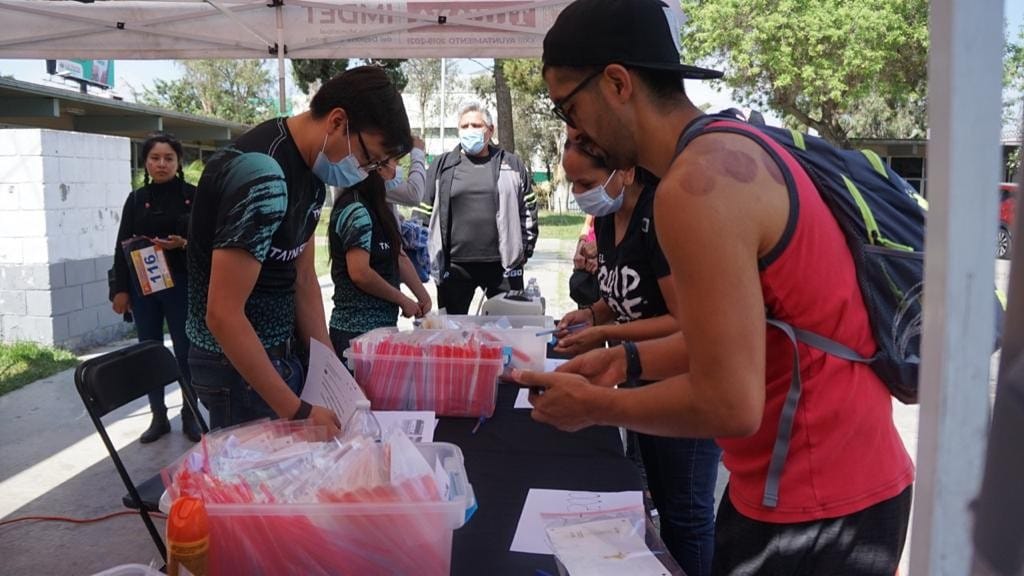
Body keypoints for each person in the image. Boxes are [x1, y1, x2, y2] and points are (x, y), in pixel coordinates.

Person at [515, 1, 915, 574]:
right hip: (825, 487)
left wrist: (598, 408)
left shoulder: (695, 188)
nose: (573, 131)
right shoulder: (735, 144)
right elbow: (740, 339)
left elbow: (730, 401)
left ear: (618, 83)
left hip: (814, 504)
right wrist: (625, 360)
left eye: (569, 109)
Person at [187, 66, 413, 436]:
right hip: (236, 368)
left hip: (279, 354)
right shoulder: (264, 174)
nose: (366, 172)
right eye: (369, 159)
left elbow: (303, 279)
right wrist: (297, 411)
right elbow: (223, 315)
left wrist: (332, 374)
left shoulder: (310, 177)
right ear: (338, 121)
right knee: (264, 489)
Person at [556, 135, 721, 575]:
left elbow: (686, 321)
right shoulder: (609, 220)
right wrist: (591, 314)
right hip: (638, 380)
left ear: (625, 172)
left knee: (685, 514)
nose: (579, 194)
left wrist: (607, 335)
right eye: (572, 184)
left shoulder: (660, 216)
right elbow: (626, 290)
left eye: (585, 182)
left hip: (682, 388)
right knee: (656, 503)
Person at [111, 132, 201, 443]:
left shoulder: (194, 195)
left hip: (182, 286)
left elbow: (210, 242)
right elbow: (120, 246)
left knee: (185, 351)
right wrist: (119, 290)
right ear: (146, 162)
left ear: (178, 162)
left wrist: (184, 243)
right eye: (154, 158)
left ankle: (190, 413)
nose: (161, 164)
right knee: (148, 350)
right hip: (144, 287)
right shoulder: (136, 200)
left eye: (168, 158)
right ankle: (158, 416)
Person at [419, 101, 539, 314]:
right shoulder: (442, 166)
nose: (469, 131)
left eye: (476, 125)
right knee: (453, 333)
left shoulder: (511, 164)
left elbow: (528, 210)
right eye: (464, 126)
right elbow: (424, 213)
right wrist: (425, 256)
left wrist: (523, 253)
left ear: (490, 130)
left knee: (507, 331)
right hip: (454, 268)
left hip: (503, 267)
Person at [327, 172, 432, 355]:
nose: (396, 171)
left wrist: (423, 296)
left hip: (383, 330)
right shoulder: (356, 210)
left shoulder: (380, 206)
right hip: (357, 333)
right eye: (391, 162)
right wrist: (402, 299)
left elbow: (398, 256)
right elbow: (360, 273)